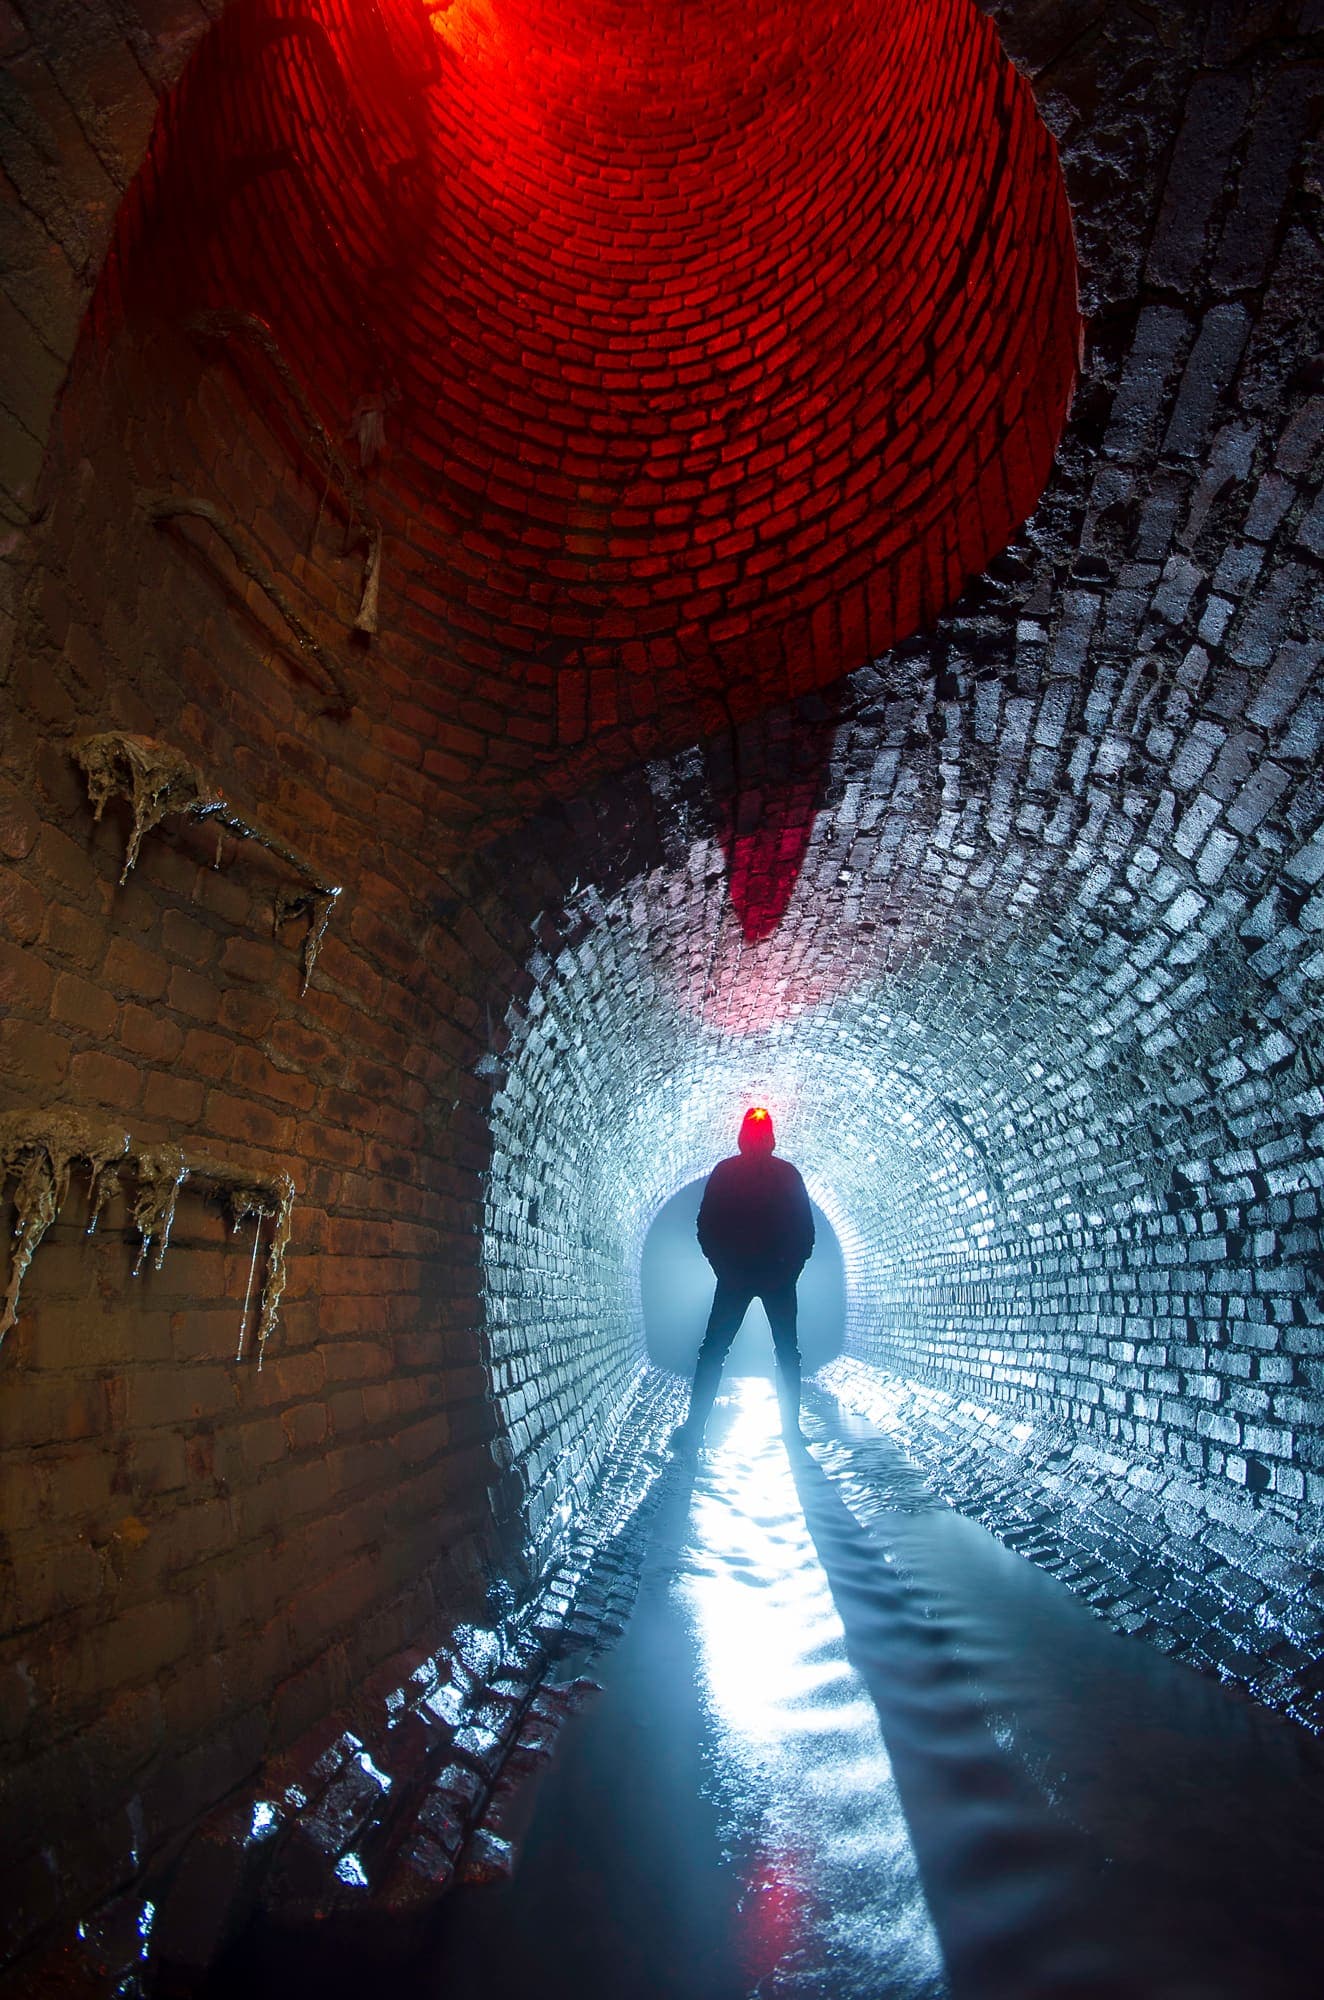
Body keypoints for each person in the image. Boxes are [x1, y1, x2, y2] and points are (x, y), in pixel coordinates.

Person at [675, 1106, 815, 1450]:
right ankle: (790, 1431)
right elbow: (804, 1230)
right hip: (763, 1277)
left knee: (716, 1351)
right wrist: (787, 1269)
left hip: (744, 1276)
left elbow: (706, 1225)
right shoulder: (783, 1174)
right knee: (784, 1352)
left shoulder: (730, 1172)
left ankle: (695, 1428)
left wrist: (725, 1266)